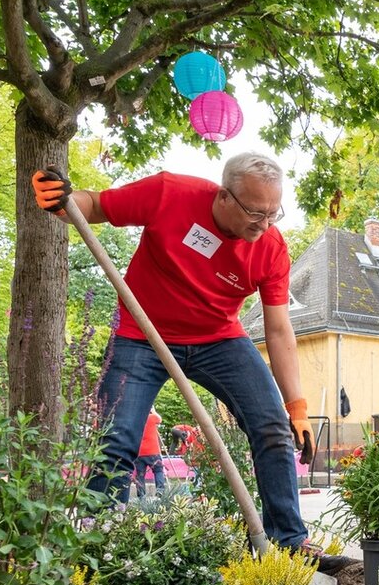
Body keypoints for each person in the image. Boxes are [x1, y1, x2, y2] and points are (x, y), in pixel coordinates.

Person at [31, 153, 314, 552]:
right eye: (254, 212)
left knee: (272, 428)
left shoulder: (270, 249)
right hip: (140, 335)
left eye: (273, 213)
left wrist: (296, 406)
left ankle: (289, 543)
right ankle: (95, 549)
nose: (264, 224)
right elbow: (94, 206)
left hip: (219, 339)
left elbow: (279, 329)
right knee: (117, 438)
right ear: (223, 197)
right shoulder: (169, 194)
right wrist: (63, 201)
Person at [134, 408, 167, 497]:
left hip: (140, 452)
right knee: (158, 471)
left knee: (140, 475)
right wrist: (154, 410)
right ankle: (160, 491)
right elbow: (159, 419)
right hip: (153, 451)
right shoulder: (152, 417)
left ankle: (141, 496)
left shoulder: (136, 420)